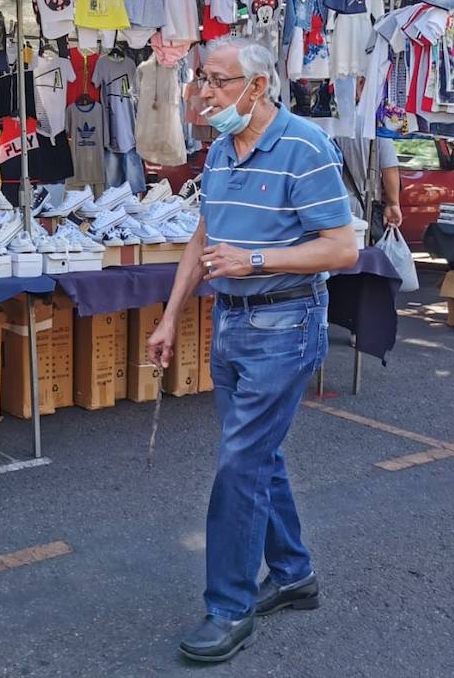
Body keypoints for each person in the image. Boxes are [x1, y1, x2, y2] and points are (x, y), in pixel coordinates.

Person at [148, 36, 358, 664]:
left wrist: (256, 260)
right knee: (257, 455)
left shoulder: (305, 146)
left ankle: (229, 607)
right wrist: (168, 318)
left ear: (258, 86)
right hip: (233, 322)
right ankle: (293, 574)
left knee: (240, 463)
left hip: (285, 321)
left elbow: (342, 249)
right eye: (201, 79)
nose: (203, 91)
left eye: (216, 80)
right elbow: (204, 235)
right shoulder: (219, 148)